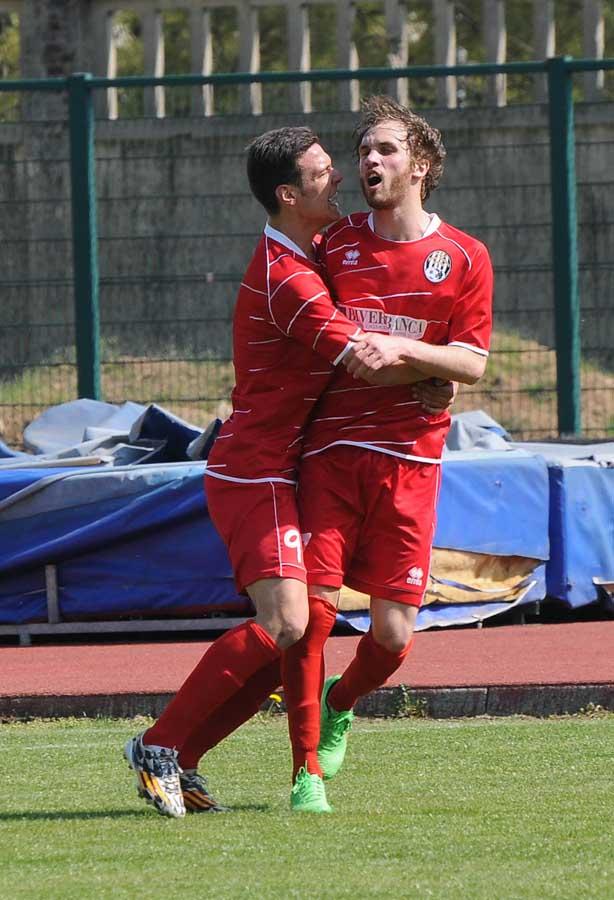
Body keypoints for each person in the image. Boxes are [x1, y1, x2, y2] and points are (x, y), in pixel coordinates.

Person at [123, 125, 452, 817]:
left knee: (294, 635)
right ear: (288, 193)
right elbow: (361, 356)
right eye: (324, 170)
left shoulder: (311, 252)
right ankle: (157, 744)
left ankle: (179, 758)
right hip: (256, 471)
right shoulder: (289, 278)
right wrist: (453, 368)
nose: (341, 177)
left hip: (282, 468)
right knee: (284, 623)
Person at [281, 95, 494, 790]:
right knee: (311, 616)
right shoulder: (332, 246)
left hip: (411, 462)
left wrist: (418, 362)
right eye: (364, 150)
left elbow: (472, 360)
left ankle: (341, 704)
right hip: (331, 456)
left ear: (422, 166)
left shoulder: (463, 256)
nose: (369, 161)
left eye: (387, 150)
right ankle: (305, 770)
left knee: (395, 639)